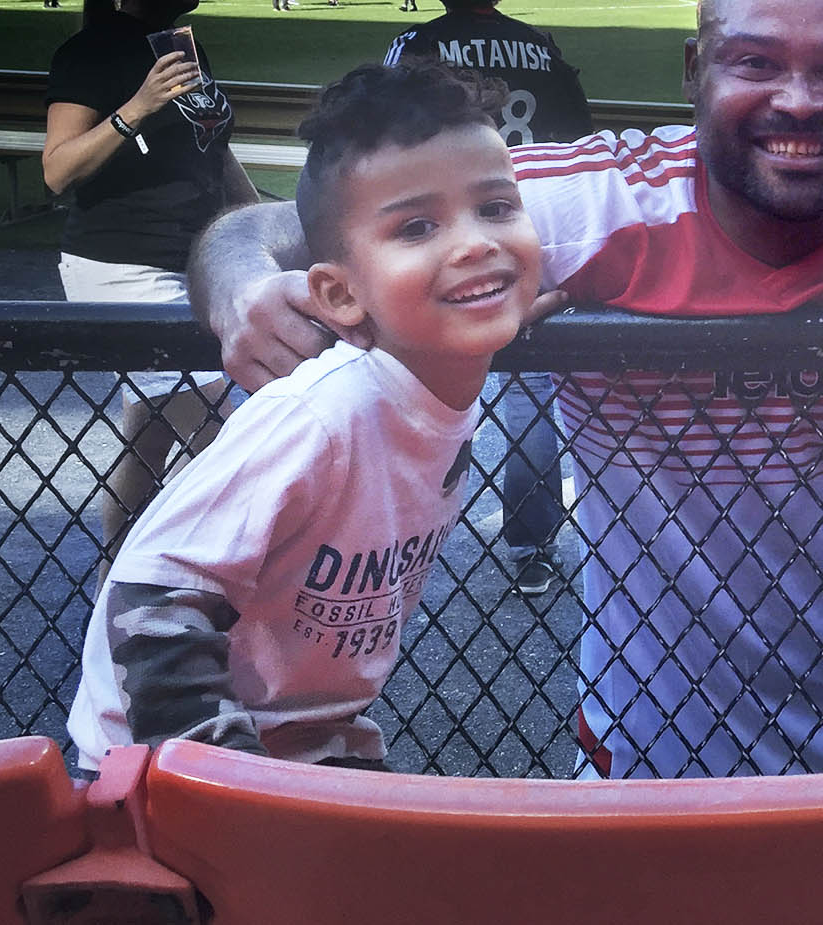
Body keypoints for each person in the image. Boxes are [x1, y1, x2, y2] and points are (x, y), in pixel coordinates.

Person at [189, 0, 823, 778]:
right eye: (756, 62)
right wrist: (239, 286)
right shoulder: (596, 201)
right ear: (694, 70)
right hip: (649, 744)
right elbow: (275, 227)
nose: (801, 100)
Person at [68, 62, 540, 771]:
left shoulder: (438, 386)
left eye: (497, 208)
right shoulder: (325, 412)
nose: (475, 242)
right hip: (163, 766)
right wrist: (225, 774)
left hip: (309, 742)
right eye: (417, 226)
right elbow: (148, 591)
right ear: (340, 295)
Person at [384, 0, 593, 597]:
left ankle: (387, 537)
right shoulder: (540, 47)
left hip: (433, 240)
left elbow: (373, 145)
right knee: (529, 393)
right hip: (524, 236)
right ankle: (531, 547)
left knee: (412, 385)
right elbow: (581, 149)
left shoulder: (412, 46)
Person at [42, 0, 259, 557]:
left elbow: (212, 151)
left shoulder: (180, 45)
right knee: (227, 434)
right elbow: (58, 171)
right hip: (124, 267)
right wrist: (136, 107)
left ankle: (121, 575)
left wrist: (256, 225)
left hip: (191, 260)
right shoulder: (91, 53)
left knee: (152, 431)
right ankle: (185, 582)